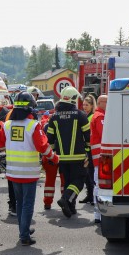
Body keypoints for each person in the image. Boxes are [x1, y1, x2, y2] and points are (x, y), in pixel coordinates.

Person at [0, 92, 59, 245]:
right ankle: (24, 235)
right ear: (30, 108)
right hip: (29, 172)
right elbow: (43, 147)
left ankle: (24, 229)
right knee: (28, 204)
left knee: (19, 203)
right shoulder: (33, 125)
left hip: (13, 172)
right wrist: (55, 158)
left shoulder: (7, 125)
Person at [46, 86, 90, 218]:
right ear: (73, 99)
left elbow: (50, 140)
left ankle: (71, 207)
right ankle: (66, 199)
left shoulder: (54, 117)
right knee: (78, 181)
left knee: (68, 181)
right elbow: (88, 137)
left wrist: (52, 154)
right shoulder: (81, 115)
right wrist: (88, 152)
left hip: (61, 158)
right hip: (78, 157)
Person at [89, 94, 107, 223]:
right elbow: (105, 134)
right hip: (101, 156)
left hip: (99, 156)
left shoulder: (98, 115)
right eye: (107, 102)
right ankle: (98, 214)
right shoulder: (100, 116)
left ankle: (98, 214)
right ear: (100, 103)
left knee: (98, 185)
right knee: (99, 185)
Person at [79, 95, 96, 205]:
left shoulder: (91, 117)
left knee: (90, 173)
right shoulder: (86, 116)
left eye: (87, 105)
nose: (84, 107)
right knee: (87, 174)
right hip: (86, 148)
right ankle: (89, 195)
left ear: (92, 105)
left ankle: (92, 196)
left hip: (90, 149)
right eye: (84, 105)